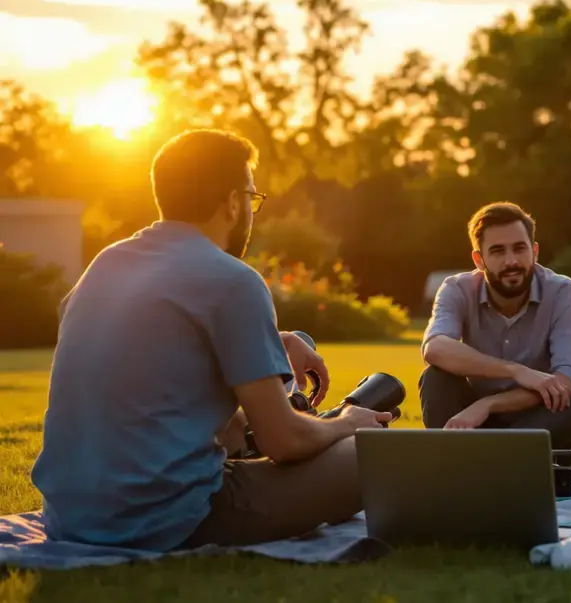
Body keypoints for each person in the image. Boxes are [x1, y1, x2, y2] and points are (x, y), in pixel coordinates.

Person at [30, 129, 393, 551]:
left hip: (70, 517)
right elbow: (285, 442)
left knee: (247, 423)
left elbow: (147, 356)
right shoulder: (233, 280)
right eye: (253, 199)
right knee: (378, 456)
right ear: (233, 202)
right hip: (165, 518)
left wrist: (274, 340)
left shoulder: (104, 265)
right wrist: (347, 423)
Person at [419, 201, 571, 462]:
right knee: (435, 378)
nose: (511, 261)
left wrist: (487, 405)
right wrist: (517, 372)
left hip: (535, 417)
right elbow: (436, 348)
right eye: (498, 251)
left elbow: (569, 380)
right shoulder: (457, 288)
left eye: (519, 248)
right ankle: (477, 460)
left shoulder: (564, 292)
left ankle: (467, 461)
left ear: (534, 251)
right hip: (473, 424)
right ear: (479, 259)